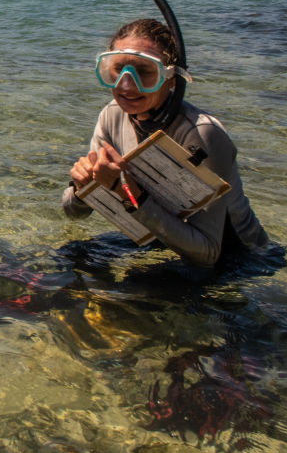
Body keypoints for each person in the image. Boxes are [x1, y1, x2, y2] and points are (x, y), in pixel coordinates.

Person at [61, 17, 267, 266]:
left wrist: (129, 194)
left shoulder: (201, 133)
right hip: (161, 237)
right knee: (67, 258)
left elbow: (208, 253)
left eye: (144, 72)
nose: (126, 85)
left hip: (240, 260)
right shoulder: (112, 115)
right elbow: (74, 214)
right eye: (117, 70)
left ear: (171, 78)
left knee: (134, 290)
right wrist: (82, 189)